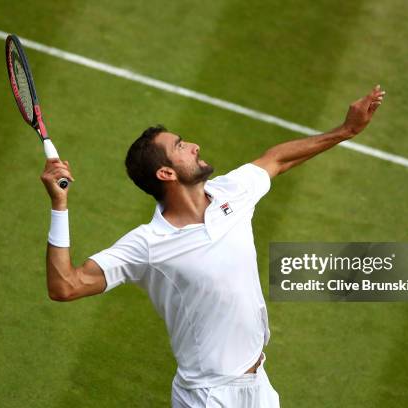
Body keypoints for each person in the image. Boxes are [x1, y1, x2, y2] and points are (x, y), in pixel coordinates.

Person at [40, 85, 385, 407]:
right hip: (208, 397)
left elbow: (276, 159)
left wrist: (346, 131)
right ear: (166, 174)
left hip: (258, 383)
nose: (194, 146)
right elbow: (65, 285)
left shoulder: (231, 192)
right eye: (180, 146)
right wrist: (60, 205)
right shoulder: (148, 245)